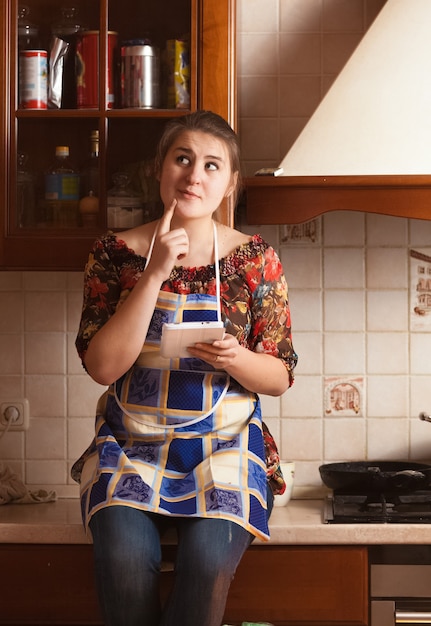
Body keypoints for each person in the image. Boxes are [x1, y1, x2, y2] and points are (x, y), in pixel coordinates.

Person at [73, 110, 298, 626]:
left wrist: (235, 358)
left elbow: (280, 376)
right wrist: (153, 274)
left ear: (230, 183)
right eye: (183, 158)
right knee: (123, 561)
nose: (195, 175)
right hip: (131, 447)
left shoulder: (255, 260)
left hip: (227, 448)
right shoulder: (114, 253)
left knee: (206, 560)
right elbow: (103, 367)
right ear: (160, 169)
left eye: (212, 165)